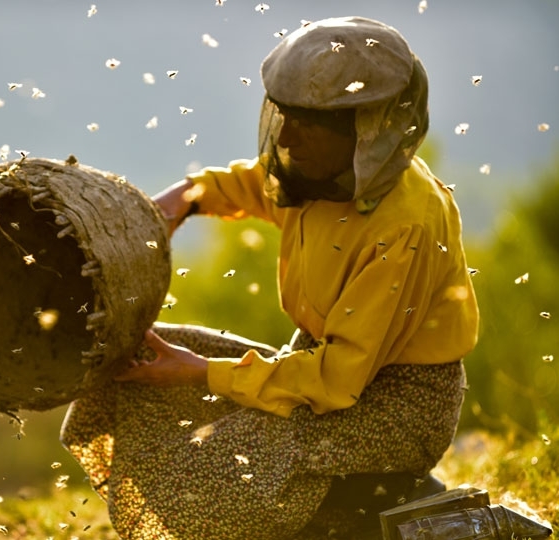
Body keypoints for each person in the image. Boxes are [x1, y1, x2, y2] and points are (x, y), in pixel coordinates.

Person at [61, 16, 479, 540]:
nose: (288, 138)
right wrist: (181, 201)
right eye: (286, 117)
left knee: (217, 467)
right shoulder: (320, 174)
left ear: (367, 127)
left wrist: (199, 373)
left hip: (396, 408)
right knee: (143, 362)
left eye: (310, 124)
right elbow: (253, 184)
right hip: (319, 370)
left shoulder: (406, 225)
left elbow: (334, 380)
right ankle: (349, 507)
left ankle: (378, 506)